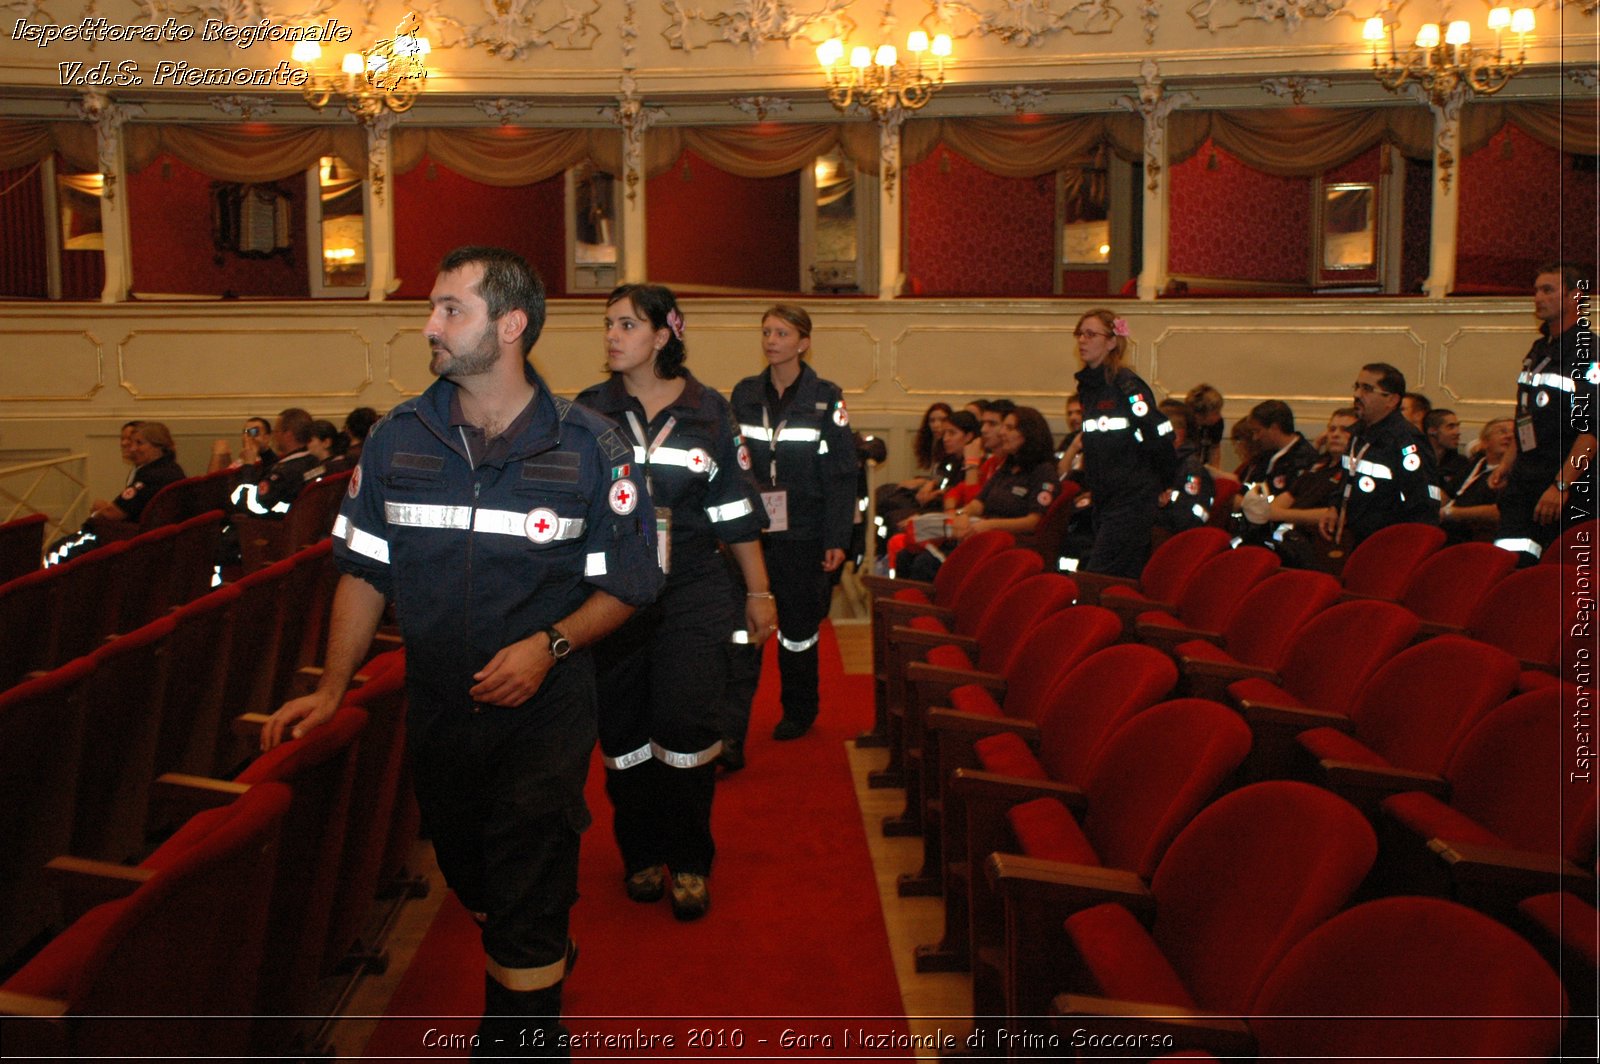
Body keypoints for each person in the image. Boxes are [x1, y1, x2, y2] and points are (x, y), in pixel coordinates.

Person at [260, 247, 661, 1055]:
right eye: (434, 308)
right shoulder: (397, 440)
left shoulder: (593, 446)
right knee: (477, 877)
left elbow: (631, 582)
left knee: (528, 879)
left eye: (451, 309)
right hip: (440, 709)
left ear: (510, 325)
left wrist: (549, 646)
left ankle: (519, 1033)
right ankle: (530, 946)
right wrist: (335, 687)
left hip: (544, 712)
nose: (429, 326)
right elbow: (363, 573)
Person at [575, 283, 771, 919]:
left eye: (627, 325)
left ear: (663, 336)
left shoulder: (709, 412)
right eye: (608, 324)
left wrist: (760, 590)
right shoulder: (586, 412)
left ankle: (688, 860)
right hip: (611, 596)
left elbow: (735, 510)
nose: (612, 335)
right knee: (625, 736)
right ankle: (639, 854)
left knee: (685, 727)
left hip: (692, 590)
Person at [729, 304, 857, 741]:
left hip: (804, 531)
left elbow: (842, 473)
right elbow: (733, 463)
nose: (771, 341)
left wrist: (839, 537)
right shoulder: (744, 394)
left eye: (781, 333)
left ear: (803, 342)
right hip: (753, 532)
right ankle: (732, 725)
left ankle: (799, 710)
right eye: (766, 331)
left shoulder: (825, 397)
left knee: (799, 629)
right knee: (743, 628)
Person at [1490, 263, 1598, 565]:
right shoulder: (1539, 349)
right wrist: (1507, 464)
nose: (1538, 297)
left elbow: (1591, 431)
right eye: (1536, 290)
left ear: (1575, 296)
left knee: (1553, 576)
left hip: (1563, 486)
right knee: (1509, 563)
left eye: (1548, 290)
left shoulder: (1588, 352)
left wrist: (1561, 485)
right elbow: (1526, 415)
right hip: (1525, 481)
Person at [1059, 309, 1177, 577]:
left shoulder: (1126, 386)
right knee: (1118, 575)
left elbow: (1159, 435)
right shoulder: (1090, 387)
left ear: (1112, 341)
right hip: (1104, 498)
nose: (1082, 340)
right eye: (1080, 333)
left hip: (1131, 499)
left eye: (1091, 334)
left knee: (1100, 575)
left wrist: (1164, 482)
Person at [1319, 363, 1441, 546]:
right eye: (1357, 387)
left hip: (1391, 543)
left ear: (1391, 400)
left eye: (1367, 389)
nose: (1357, 395)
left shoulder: (1406, 441)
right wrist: (1335, 507)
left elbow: (1423, 504)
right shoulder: (1357, 434)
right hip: (1356, 537)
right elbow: (1348, 478)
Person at [47, 421, 185, 563]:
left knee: (57, 551)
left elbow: (114, 513)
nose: (133, 448)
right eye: (133, 443)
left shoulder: (149, 477)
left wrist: (98, 513)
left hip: (136, 541)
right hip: (157, 540)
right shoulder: (173, 469)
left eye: (140, 443)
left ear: (158, 447)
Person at [946, 406, 1058, 542]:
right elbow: (979, 503)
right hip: (984, 533)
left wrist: (990, 525)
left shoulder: (1043, 471)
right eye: (1003, 427)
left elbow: (1033, 522)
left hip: (1012, 542)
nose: (1002, 433)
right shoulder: (1008, 466)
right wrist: (962, 514)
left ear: (1028, 434)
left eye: (1010, 428)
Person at [1265, 408, 1357, 570]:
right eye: (1332, 429)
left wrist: (1283, 515)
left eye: (1345, 430)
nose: (1335, 434)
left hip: (1319, 546)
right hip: (1287, 538)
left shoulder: (1355, 472)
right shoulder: (1318, 465)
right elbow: (1282, 501)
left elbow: (1335, 513)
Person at [231, 408, 319, 517]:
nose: (274, 436)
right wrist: (265, 452)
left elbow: (245, 504)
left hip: (268, 528)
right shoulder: (313, 461)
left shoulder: (284, 474)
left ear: (288, 434)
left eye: (276, 431)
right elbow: (280, 468)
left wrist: (248, 465)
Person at [1442, 417, 1513, 544]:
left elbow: (1500, 511)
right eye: (1502, 432)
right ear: (1485, 442)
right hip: (1448, 525)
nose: (1509, 436)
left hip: (1476, 535)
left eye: (1514, 434)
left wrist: (1451, 513)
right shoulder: (1476, 462)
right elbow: (1450, 492)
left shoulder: (1514, 473)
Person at [1424, 408, 1473, 498]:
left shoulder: (1461, 463)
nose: (1457, 432)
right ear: (1432, 430)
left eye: (1457, 426)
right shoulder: (1416, 459)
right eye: (1450, 427)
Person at [208, 415, 276, 474]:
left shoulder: (272, 464)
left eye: (254, 432)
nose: (247, 437)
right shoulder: (240, 462)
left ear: (267, 438)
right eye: (245, 432)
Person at [1185, 383, 1225, 467]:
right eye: (1215, 412)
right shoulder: (1185, 424)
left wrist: (1215, 472)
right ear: (1199, 415)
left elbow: (1215, 449)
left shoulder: (1217, 424)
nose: (1219, 416)